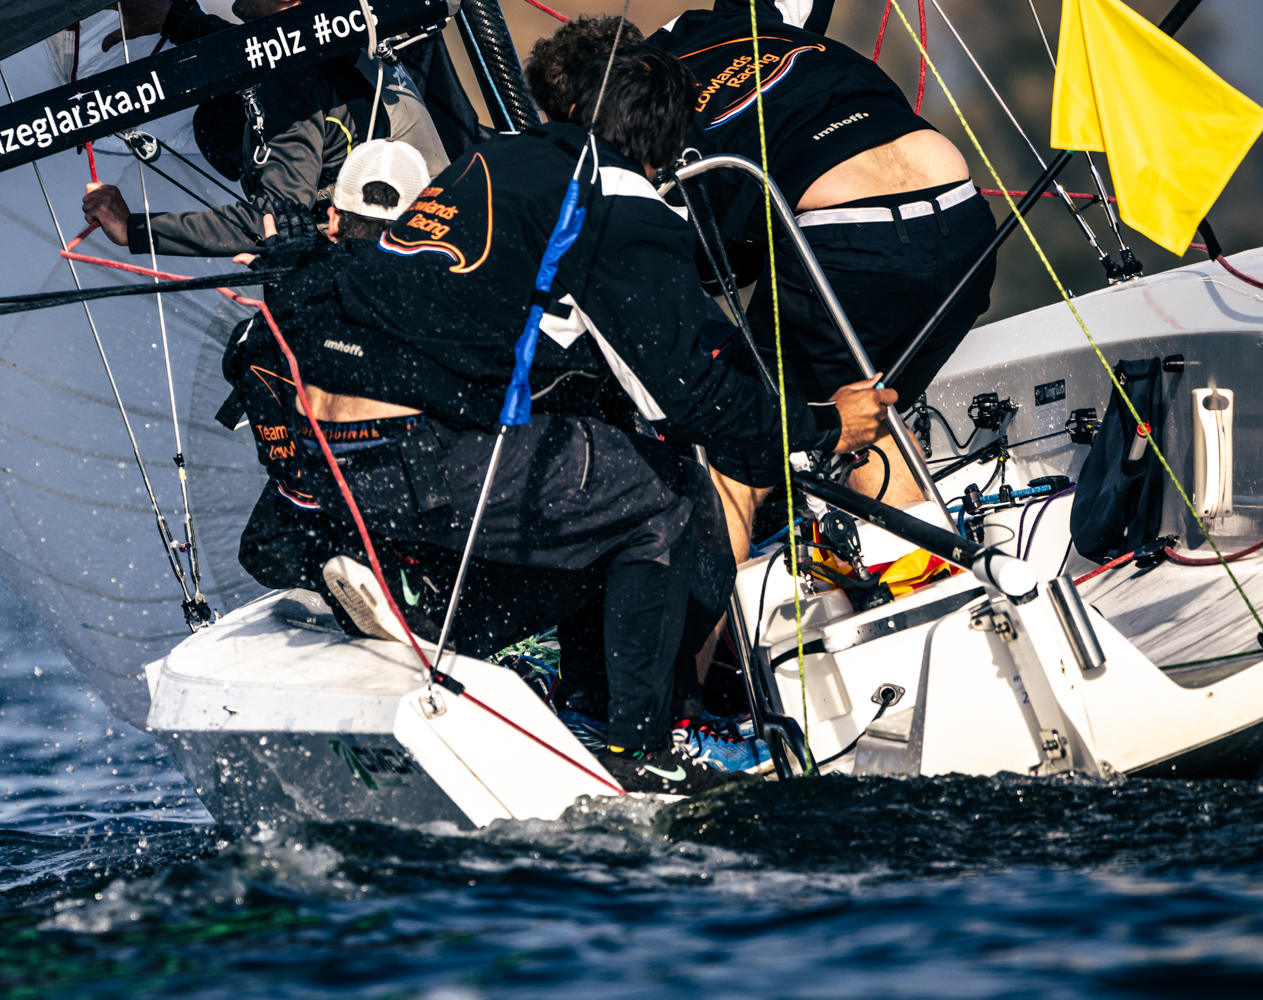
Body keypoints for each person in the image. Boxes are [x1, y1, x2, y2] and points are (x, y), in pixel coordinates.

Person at [251, 46, 895, 791]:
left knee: (598, 490)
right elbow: (690, 397)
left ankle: (553, 686)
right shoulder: (615, 194)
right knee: (667, 497)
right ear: (667, 147)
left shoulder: (489, 159)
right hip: (415, 446)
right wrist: (826, 426)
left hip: (324, 447)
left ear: (570, 107)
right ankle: (646, 751)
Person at [554, 0, 1032, 559]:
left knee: (743, 440)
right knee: (863, 408)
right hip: (967, 224)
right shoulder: (747, 17)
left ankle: (715, 625)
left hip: (852, 242)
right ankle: (927, 574)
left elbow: (681, 279)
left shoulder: (626, 136)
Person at [80, 0, 457, 257]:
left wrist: (133, 229)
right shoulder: (347, 48)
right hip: (438, 246)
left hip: (398, 269)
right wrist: (173, 19)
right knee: (224, 115)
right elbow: (254, 53)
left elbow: (273, 221)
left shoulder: (296, 77)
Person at [216, 138, 433, 585]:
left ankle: (377, 571)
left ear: (333, 220)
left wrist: (292, 279)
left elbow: (245, 362)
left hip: (343, 493)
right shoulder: (452, 280)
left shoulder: (294, 298)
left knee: (264, 549)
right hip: (434, 483)